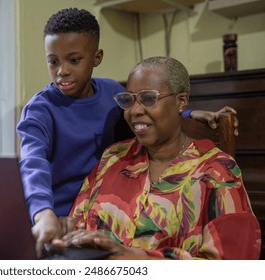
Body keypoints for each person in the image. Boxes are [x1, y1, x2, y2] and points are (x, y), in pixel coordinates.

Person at [16, 7, 239, 257]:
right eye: (53, 61)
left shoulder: (110, 91)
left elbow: (151, 106)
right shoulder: (44, 113)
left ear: (96, 58)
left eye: (74, 60)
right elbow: (32, 163)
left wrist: (190, 114)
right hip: (49, 215)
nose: (62, 71)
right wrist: (43, 212)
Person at [52, 56, 261, 260]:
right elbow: (77, 225)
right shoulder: (113, 158)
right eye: (129, 100)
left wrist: (134, 257)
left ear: (181, 101)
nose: (134, 111)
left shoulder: (216, 171)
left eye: (148, 98)